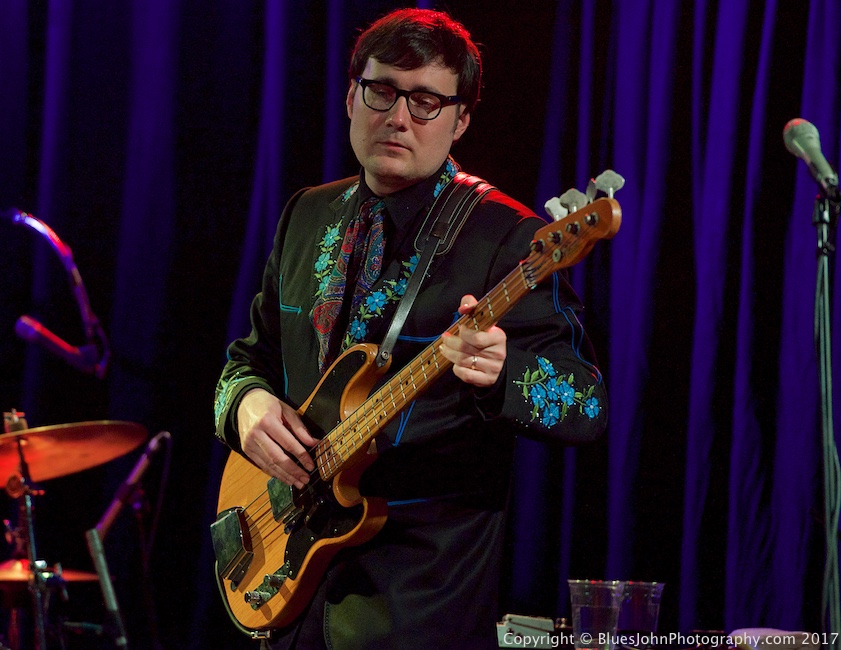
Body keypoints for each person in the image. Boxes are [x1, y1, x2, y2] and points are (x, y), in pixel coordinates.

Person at [213, 7, 607, 649]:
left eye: (426, 102)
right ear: (350, 96)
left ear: (462, 119)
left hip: (417, 609)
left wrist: (502, 373)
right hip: (285, 591)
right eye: (382, 91)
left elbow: (586, 407)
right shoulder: (306, 213)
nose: (398, 117)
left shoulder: (509, 238)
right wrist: (245, 406)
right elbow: (246, 360)